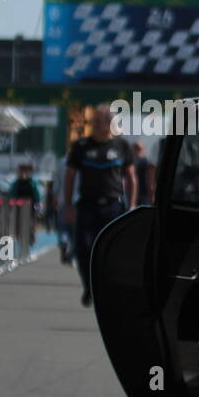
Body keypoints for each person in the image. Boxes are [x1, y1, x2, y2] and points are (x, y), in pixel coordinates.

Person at [62, 105, 137, 306]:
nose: (95, 124)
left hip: (113, 207)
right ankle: (89, 286)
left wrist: (131, 206)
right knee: (83, 248)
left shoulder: (122, 146)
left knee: (111, 252)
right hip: (87, 206)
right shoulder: (81, 147)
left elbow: (131, 178)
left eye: (99, 120)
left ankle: (106, 288)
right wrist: (68, 205)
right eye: (94, 120)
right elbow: (69, 177)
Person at [7, 162, 42, 246]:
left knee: (32, 222)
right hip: (18, 206)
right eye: (20, 172)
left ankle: (32, 234)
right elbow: (11, 194)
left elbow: (37, 194)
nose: (22, 174)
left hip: (31, 206)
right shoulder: (16, 183)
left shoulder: (32, 182)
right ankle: (20, 237)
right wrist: (11, 202)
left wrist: (38, 203)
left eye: (24, 172)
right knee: (18, 223)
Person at [132, 141, 156, 207]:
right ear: (143, 150)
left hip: (133, 195)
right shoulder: (147, 162)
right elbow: (150, 181)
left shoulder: (131, 164)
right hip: (144, 195)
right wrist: (152, 195)